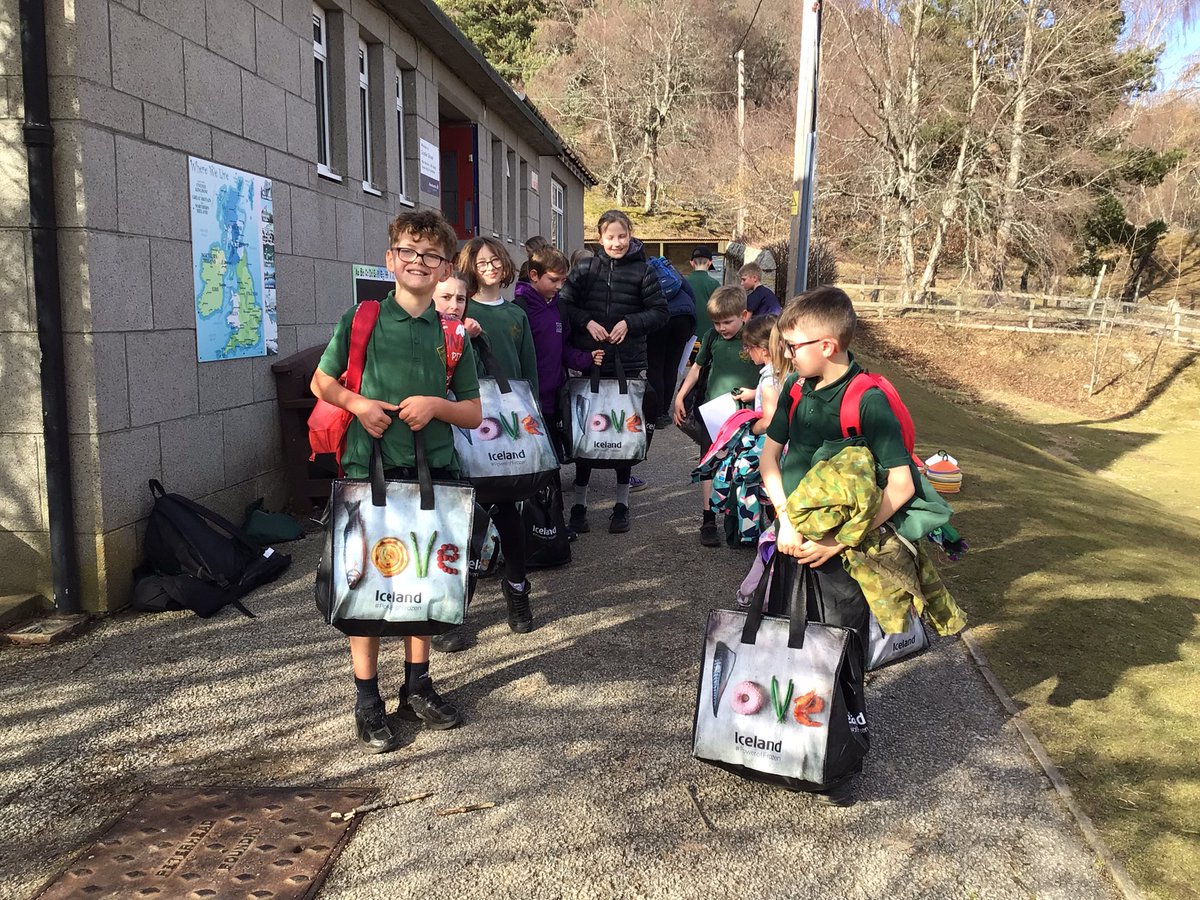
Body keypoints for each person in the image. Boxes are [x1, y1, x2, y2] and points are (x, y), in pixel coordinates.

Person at [311, 209, 481, 752]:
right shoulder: (361, 318)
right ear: (391, 259)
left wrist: (436, 405)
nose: (417, 262)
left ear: (443, 268)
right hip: (367, 468)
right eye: (408, 251)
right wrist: (358, 405)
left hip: (433, 471)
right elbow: (321, 382)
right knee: (364, 583)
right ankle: (367, 699)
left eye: (430, 256)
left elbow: (474, 412)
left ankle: (418, 686)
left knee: (424, 581)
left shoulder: (453, 335)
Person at [758, 286, 917, 803]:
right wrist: (784, 520)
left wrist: (837, 542)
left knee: (839, 650)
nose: (786, 353)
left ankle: (838, 761)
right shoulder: (797, 391)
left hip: (842, 555)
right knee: (787, 639)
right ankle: (786, 740)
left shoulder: (867, 401)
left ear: (827, 345)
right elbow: (769, 458)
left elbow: (901, 484)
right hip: (790, 539)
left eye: (793, 344)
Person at [453, 236, 541, 642]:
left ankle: (517, 589)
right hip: (467, 417)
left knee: (508, 509)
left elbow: (528, 371)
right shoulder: (458, 309)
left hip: (507, 423)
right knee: (465, 514)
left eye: (494, 261)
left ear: (505, 266)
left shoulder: (516, 314)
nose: (488, 266)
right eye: (480, 261)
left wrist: (534, 418)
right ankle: (457, 604)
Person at [559, 209, 668, 534]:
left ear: (630, 235)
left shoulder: (644, 271)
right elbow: (565, 304)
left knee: (623, 435)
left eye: (622, 236)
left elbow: (660, 312)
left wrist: (629, 323)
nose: (617, 242)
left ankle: (622, 504)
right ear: (600, 237)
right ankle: (579, 505)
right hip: (589, 362)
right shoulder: (584, 268)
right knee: (585, 432)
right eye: (610, 237)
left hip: (629, 364)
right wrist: (586, 322)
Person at [672, 285, 762, 546]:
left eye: (727, 322)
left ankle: (744, 520)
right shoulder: (712, 337)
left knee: (744, 467)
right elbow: (697, 368)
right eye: (717, 322)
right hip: (715, 413)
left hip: (748, 416)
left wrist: (756, 393)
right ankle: (708, 518)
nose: (722, 327)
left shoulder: (756, 340)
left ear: (743, 315)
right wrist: (680, 395)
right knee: (710, 464)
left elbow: (773, 375)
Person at [645, 261, 696, 428]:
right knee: (672, 365)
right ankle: (664, 412)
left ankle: (656, 413)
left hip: (659, 318)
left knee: (655, 366)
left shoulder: (643, 271)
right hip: (684, 316)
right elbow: (690, 292)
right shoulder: (668, 267)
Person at [686, 246, 720, 340]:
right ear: (710, 263)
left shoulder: (684, 282)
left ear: (692, 263)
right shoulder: (714, 284)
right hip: (709, 335)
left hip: (688, 334)